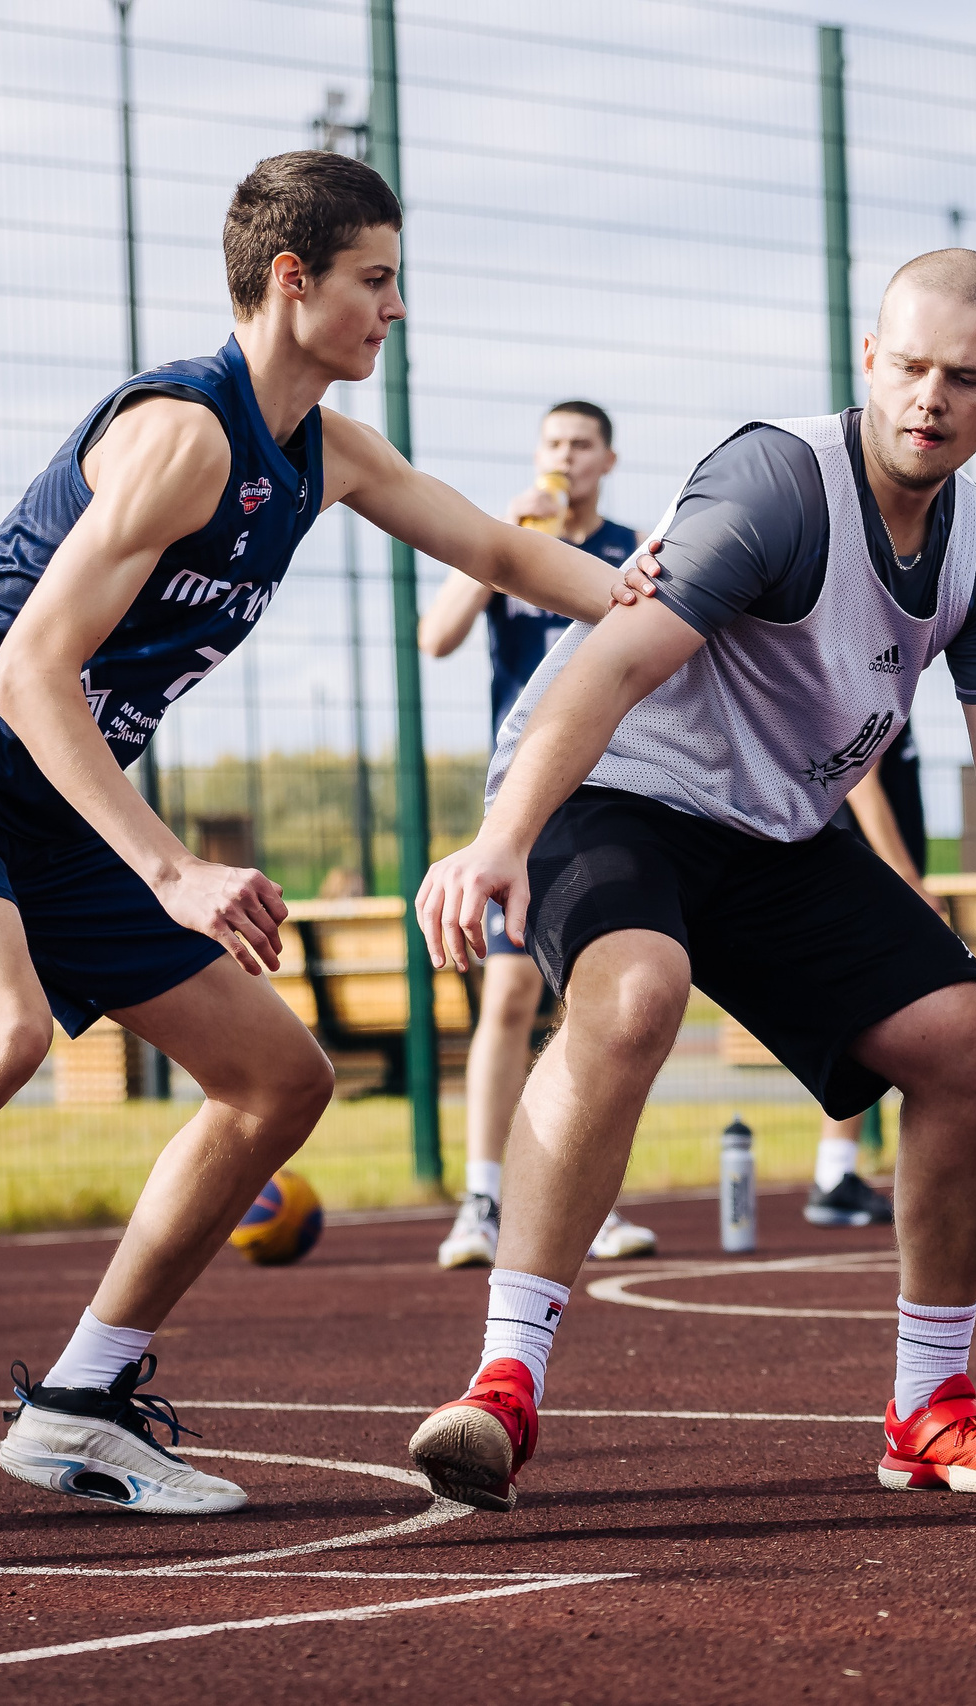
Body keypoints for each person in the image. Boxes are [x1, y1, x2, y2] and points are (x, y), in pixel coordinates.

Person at [0, 150, 646, 1538]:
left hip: (57, 802)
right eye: (377, 279)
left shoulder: (328, 451)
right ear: (294, 283)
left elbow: (511, 557)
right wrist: (171, 863)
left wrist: (674, 604)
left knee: (275, 1078)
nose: (396, 308)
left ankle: (79, 1401)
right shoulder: (183, 435)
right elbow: (24, 674)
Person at [401, 250, 976, 1512]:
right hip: (612, 786)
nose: (931, 398)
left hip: (771, 827)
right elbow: (609, 666)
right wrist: (503, 833)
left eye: (967, 378)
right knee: (632, 994)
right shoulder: (779, 485)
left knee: (969, 1040)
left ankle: (927, 1405)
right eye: (911, 366)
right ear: (870, 361)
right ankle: (503, 1379)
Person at [418, 401, 656, 1268]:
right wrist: (506, 541)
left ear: (608, 459)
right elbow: (435, 636)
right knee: (510, 998)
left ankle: (589, 1202)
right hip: (522, 798)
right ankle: (483, 1198)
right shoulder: (508, 541)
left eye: (581, 445)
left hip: (613, 790)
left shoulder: (635, 548)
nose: (566, 457)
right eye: (554, 443)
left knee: (599, 1000)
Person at [805, 736, 976, 1226]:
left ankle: (839, 1176)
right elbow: (861, 782)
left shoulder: (896, 684)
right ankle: (848, 1178)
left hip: (873, 876)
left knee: (868, 1019)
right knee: (937, 1025)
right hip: (869, 877)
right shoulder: (869, 675)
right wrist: (909, 881)